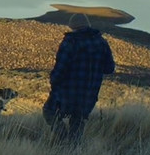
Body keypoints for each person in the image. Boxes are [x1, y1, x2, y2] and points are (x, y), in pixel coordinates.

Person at [43, 14, 116, 144]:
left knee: (49, 112)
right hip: (89, 94)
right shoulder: (101, 42)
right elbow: (109, 68)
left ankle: (62, 139)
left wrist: (53, 83)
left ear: (73, 27)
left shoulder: (70, 42)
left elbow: (60, 69)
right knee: (78, 122)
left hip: (67, 93)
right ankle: (73, 149)